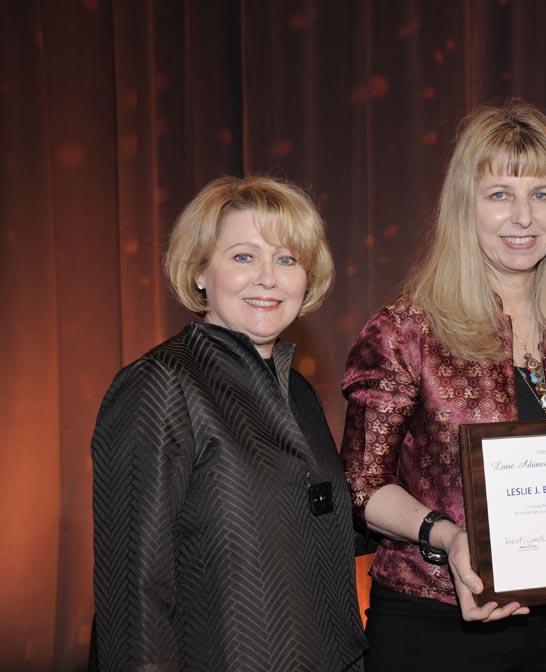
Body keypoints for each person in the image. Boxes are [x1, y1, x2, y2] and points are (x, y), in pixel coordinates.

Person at [340, 99, 546, 672]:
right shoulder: (405, 330)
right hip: (433, 621)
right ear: (465, 207)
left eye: (541, 194)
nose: (524, 217)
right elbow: (363, 486)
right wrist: (447, 535)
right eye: (499, 195)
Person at [91, 176, 367, 671]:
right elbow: (132, 590)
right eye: (244, 257)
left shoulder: (298, 391)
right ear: (200, 272)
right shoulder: (161, 384)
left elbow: (314, 526)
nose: (268, 278)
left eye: (287, 259)